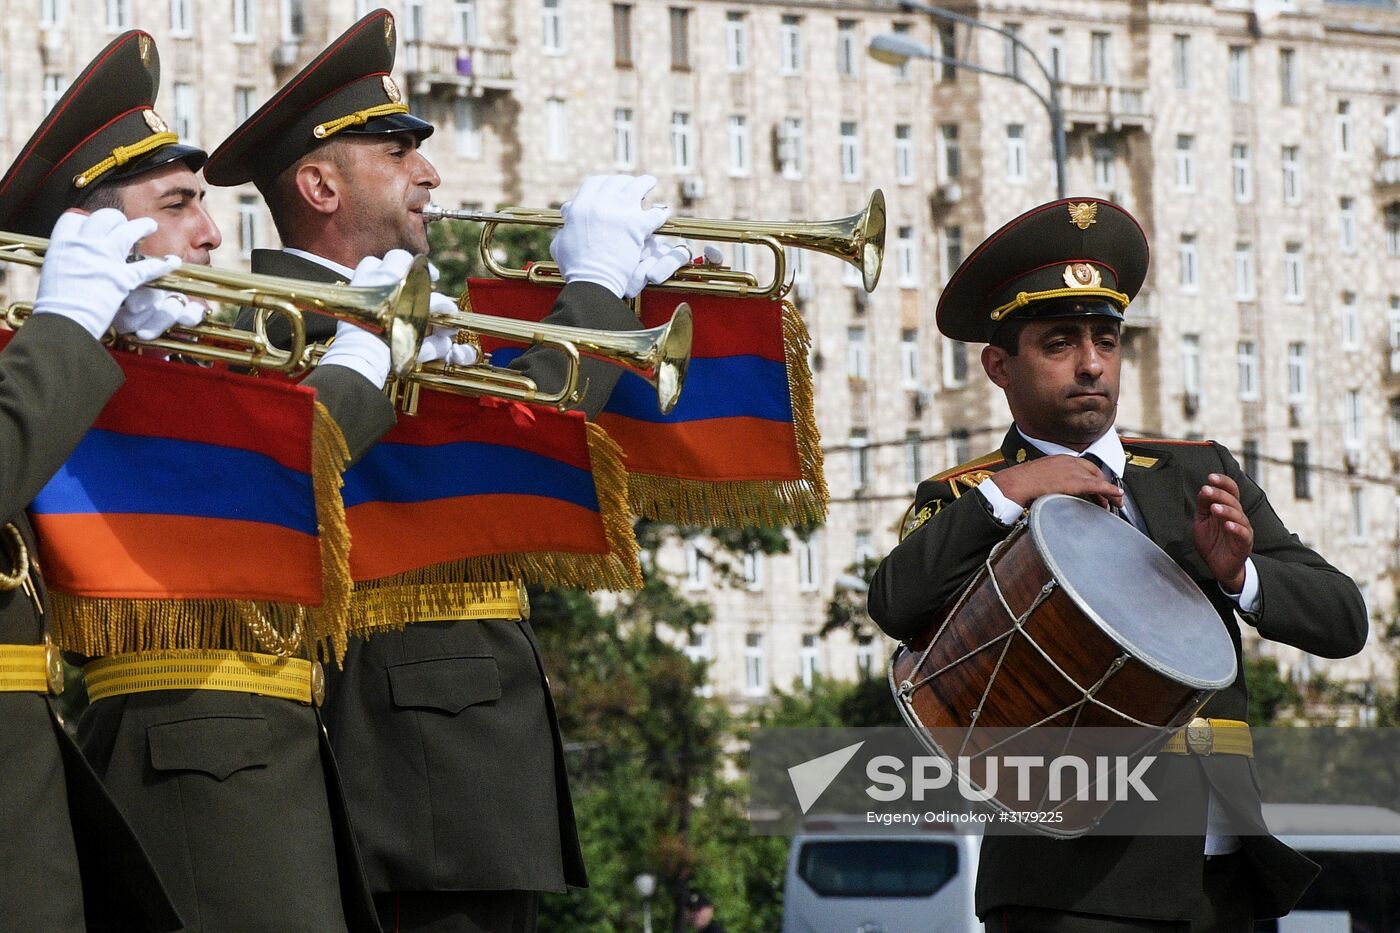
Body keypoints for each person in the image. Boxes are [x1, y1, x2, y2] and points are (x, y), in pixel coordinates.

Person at [202, 10, 688, 932]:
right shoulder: (279, 328)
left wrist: (627, 292)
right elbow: (519, 442)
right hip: (410, 780)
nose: (431, 173)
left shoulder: (408, 315)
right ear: (319, 182)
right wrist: (590, 290)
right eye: (398, 151)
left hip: (457, 772)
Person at [868, 197, 1368, 932]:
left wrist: (1241, 577)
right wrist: (1008, 492)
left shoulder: (1195, 472)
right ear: (999, 365)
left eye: (1107, 338)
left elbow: (1345, 620)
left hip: (1224, 882)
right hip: (1069, 889)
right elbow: (895, 603)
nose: (1093, 363)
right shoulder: (963, 497)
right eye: (1060, 342)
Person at [0, 30, 398, 933]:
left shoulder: (151, 366)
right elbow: (257, 487)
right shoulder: (60, 365)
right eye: (179, 202)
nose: (214, 233)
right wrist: (68, 324)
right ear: (92, 237)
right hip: (188, 777)